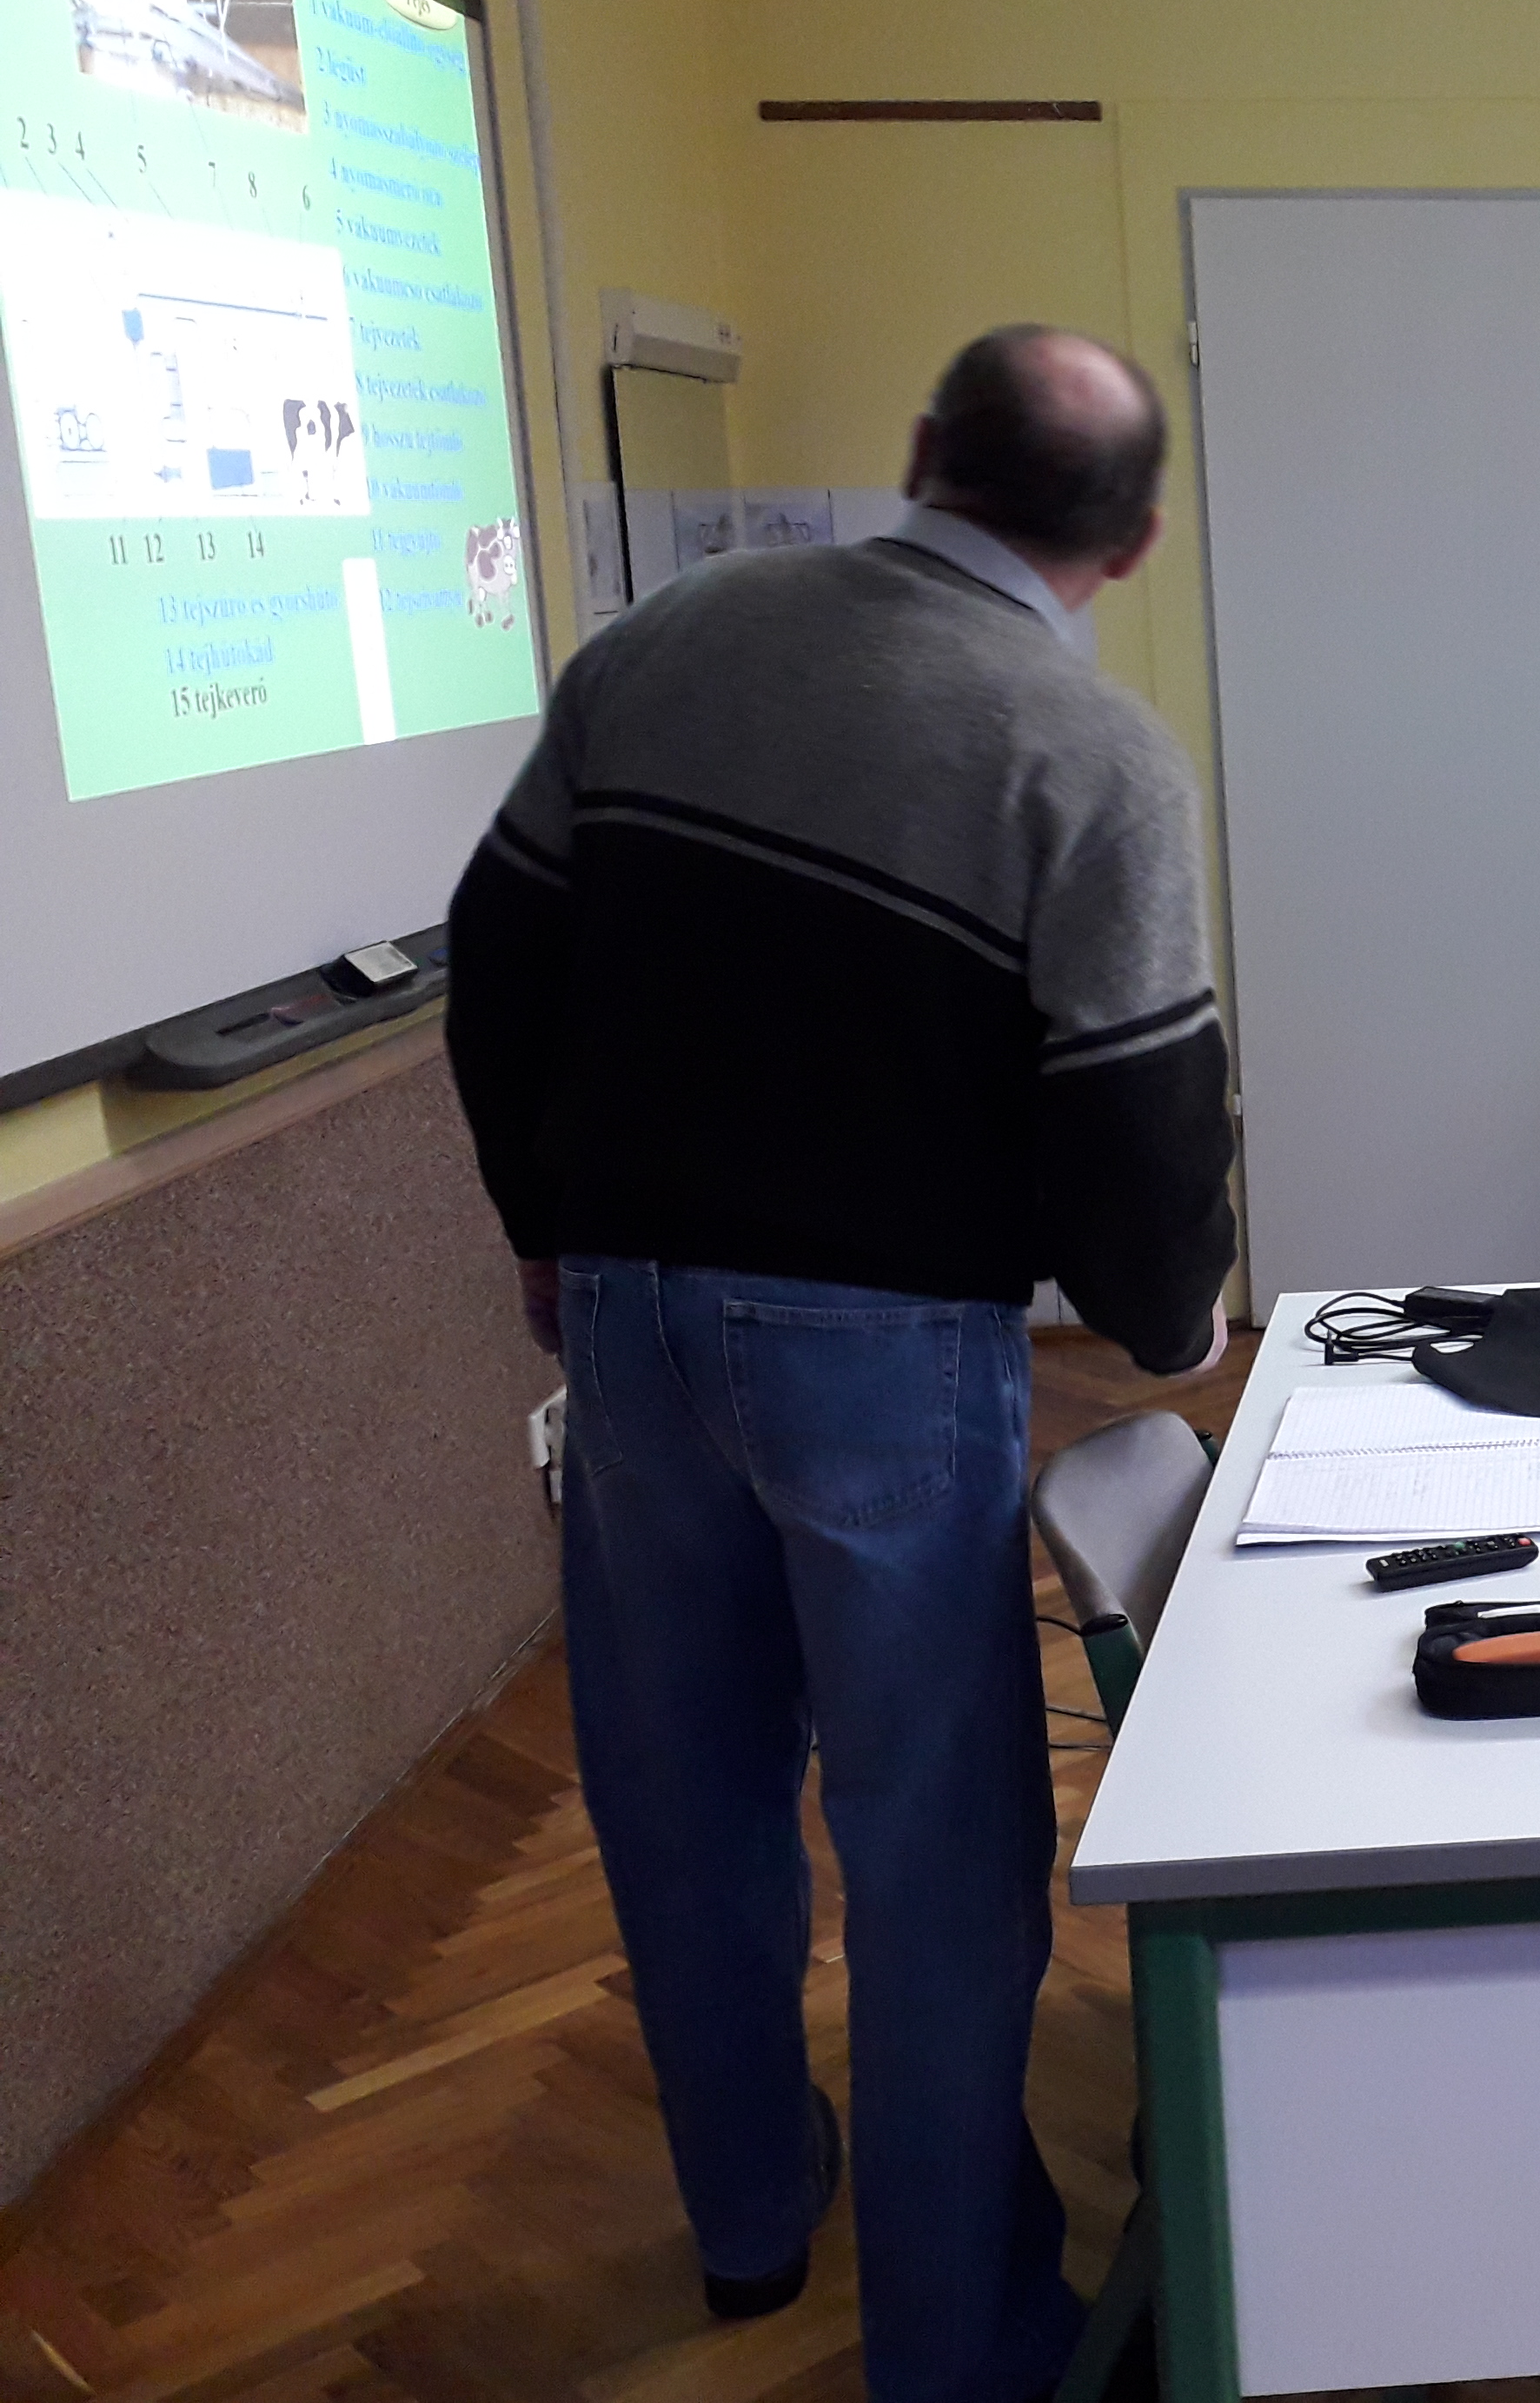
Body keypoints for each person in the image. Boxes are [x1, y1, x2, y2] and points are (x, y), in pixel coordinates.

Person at [446, 326, 1235, 2403]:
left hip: (629, 1323)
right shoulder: (1089, 751)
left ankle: (744, 2221)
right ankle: (959, 2345)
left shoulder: (665, 644)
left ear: (917, 454)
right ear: (1135, 542)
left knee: (683, 1794)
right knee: (932, 1854)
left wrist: (544, 1229)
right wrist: (1174, 1327)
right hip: (886, 1348)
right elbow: (1142, 1113)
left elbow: (497, 955)